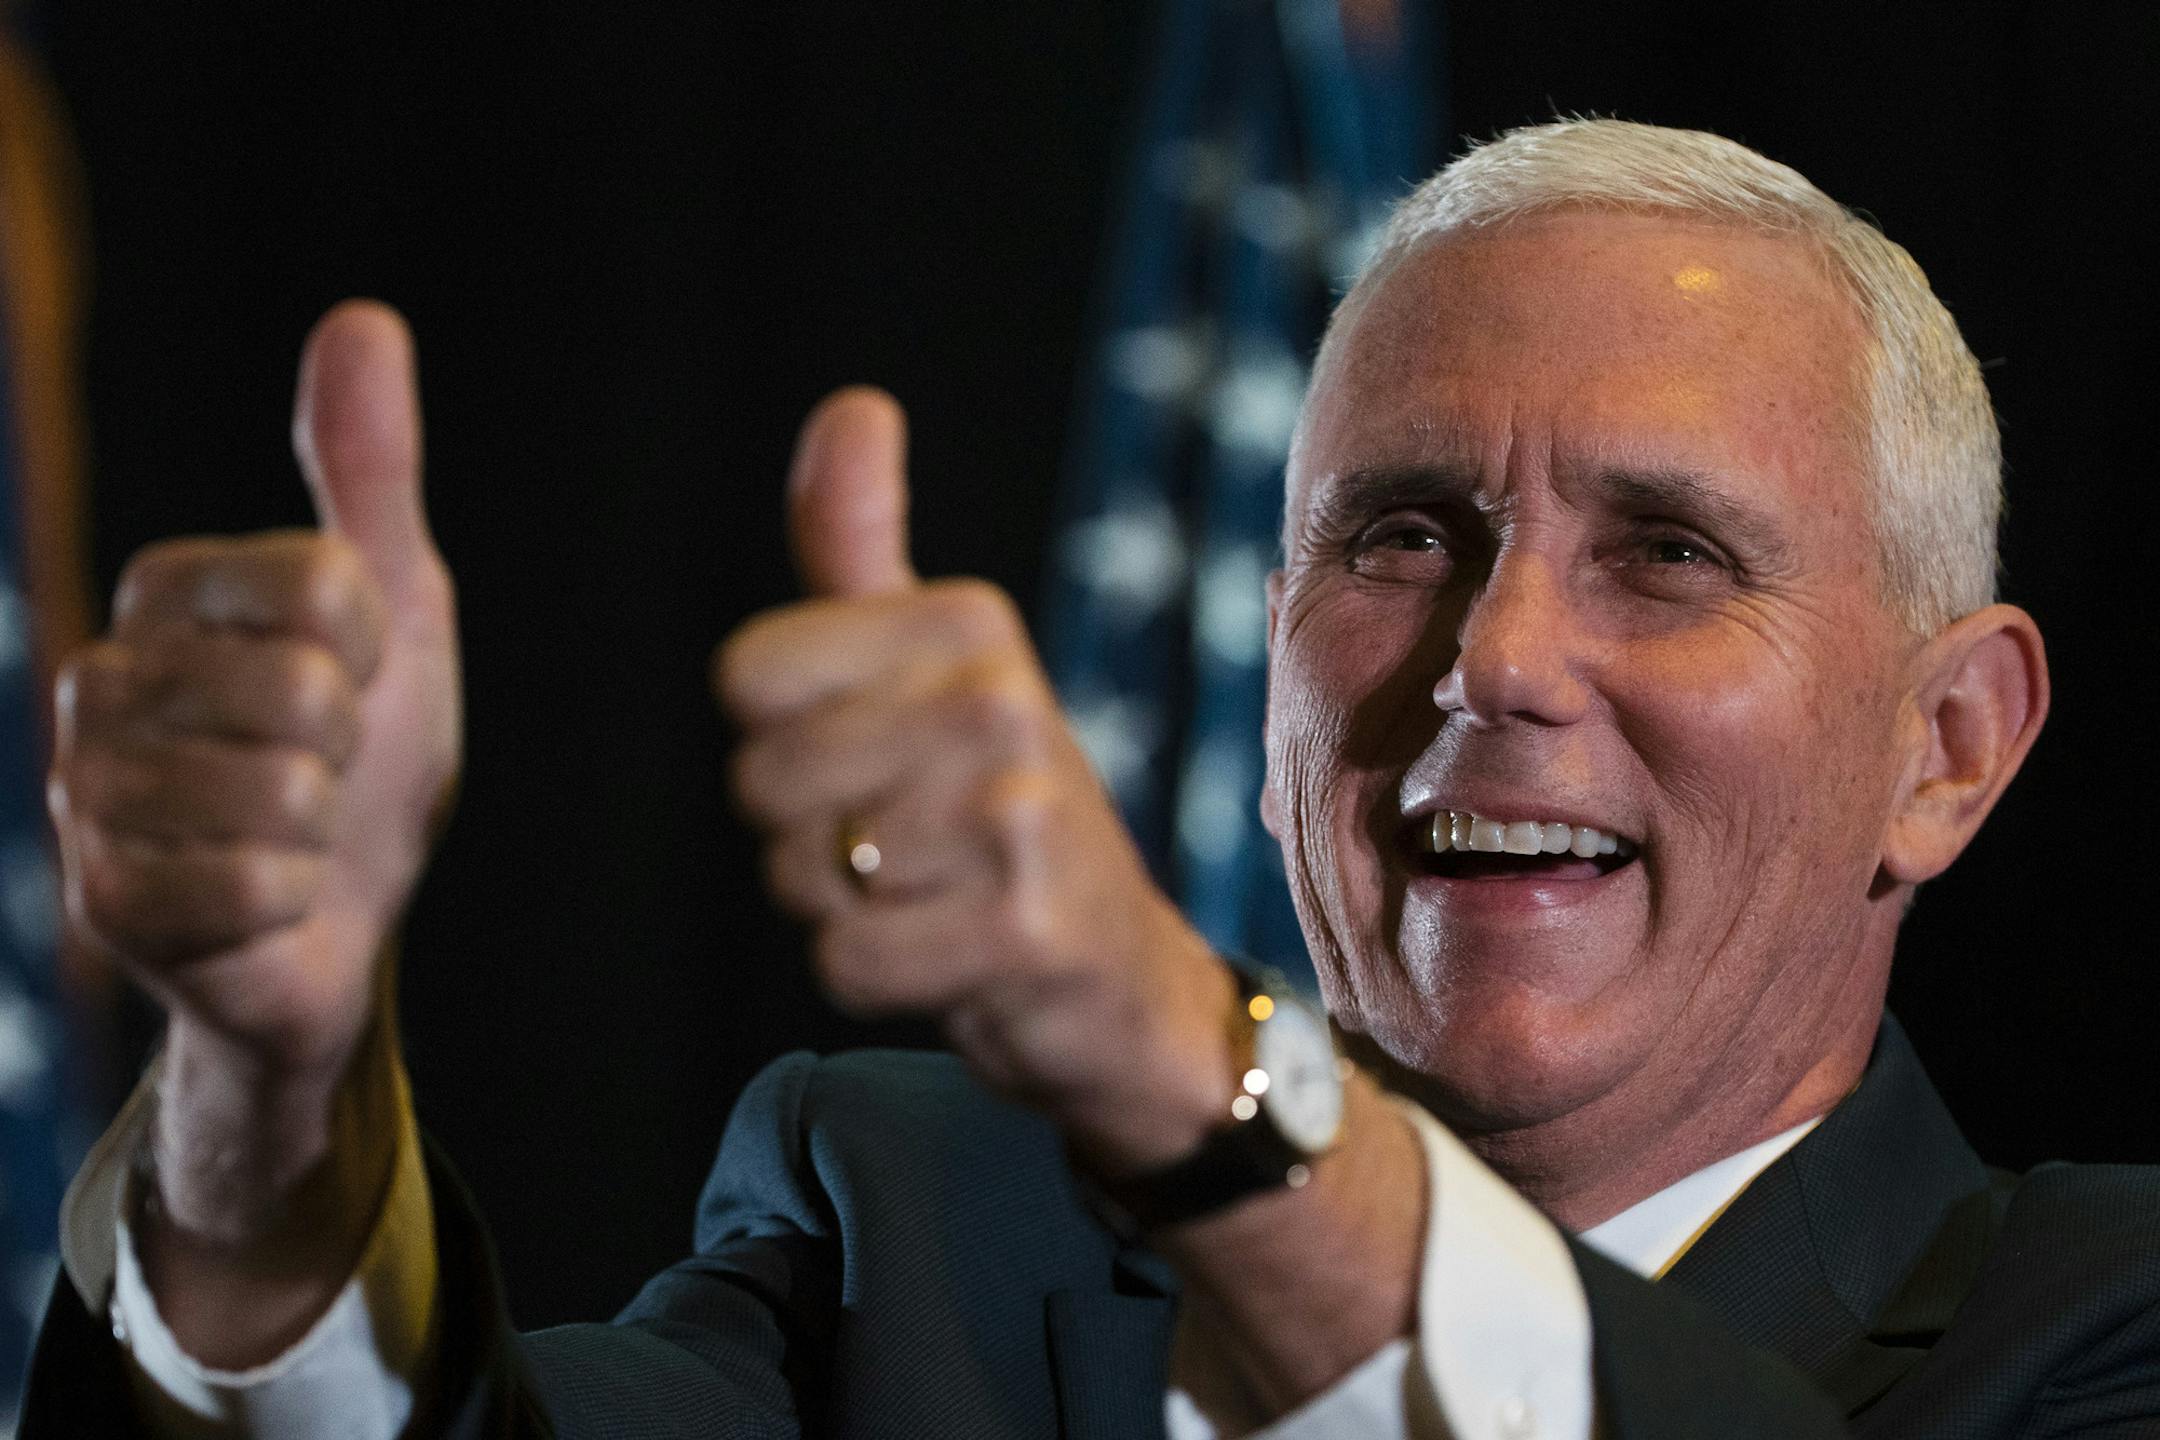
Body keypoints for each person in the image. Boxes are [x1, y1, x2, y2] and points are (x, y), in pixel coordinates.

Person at [21, 118, 2159, 1437]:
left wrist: (1183, 1077)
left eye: (1671, 556)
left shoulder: (2102, 1330)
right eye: (1401, 537)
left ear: (1946, 747)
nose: (1495, 659)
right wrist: (265, 1089)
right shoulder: (906, 1223)